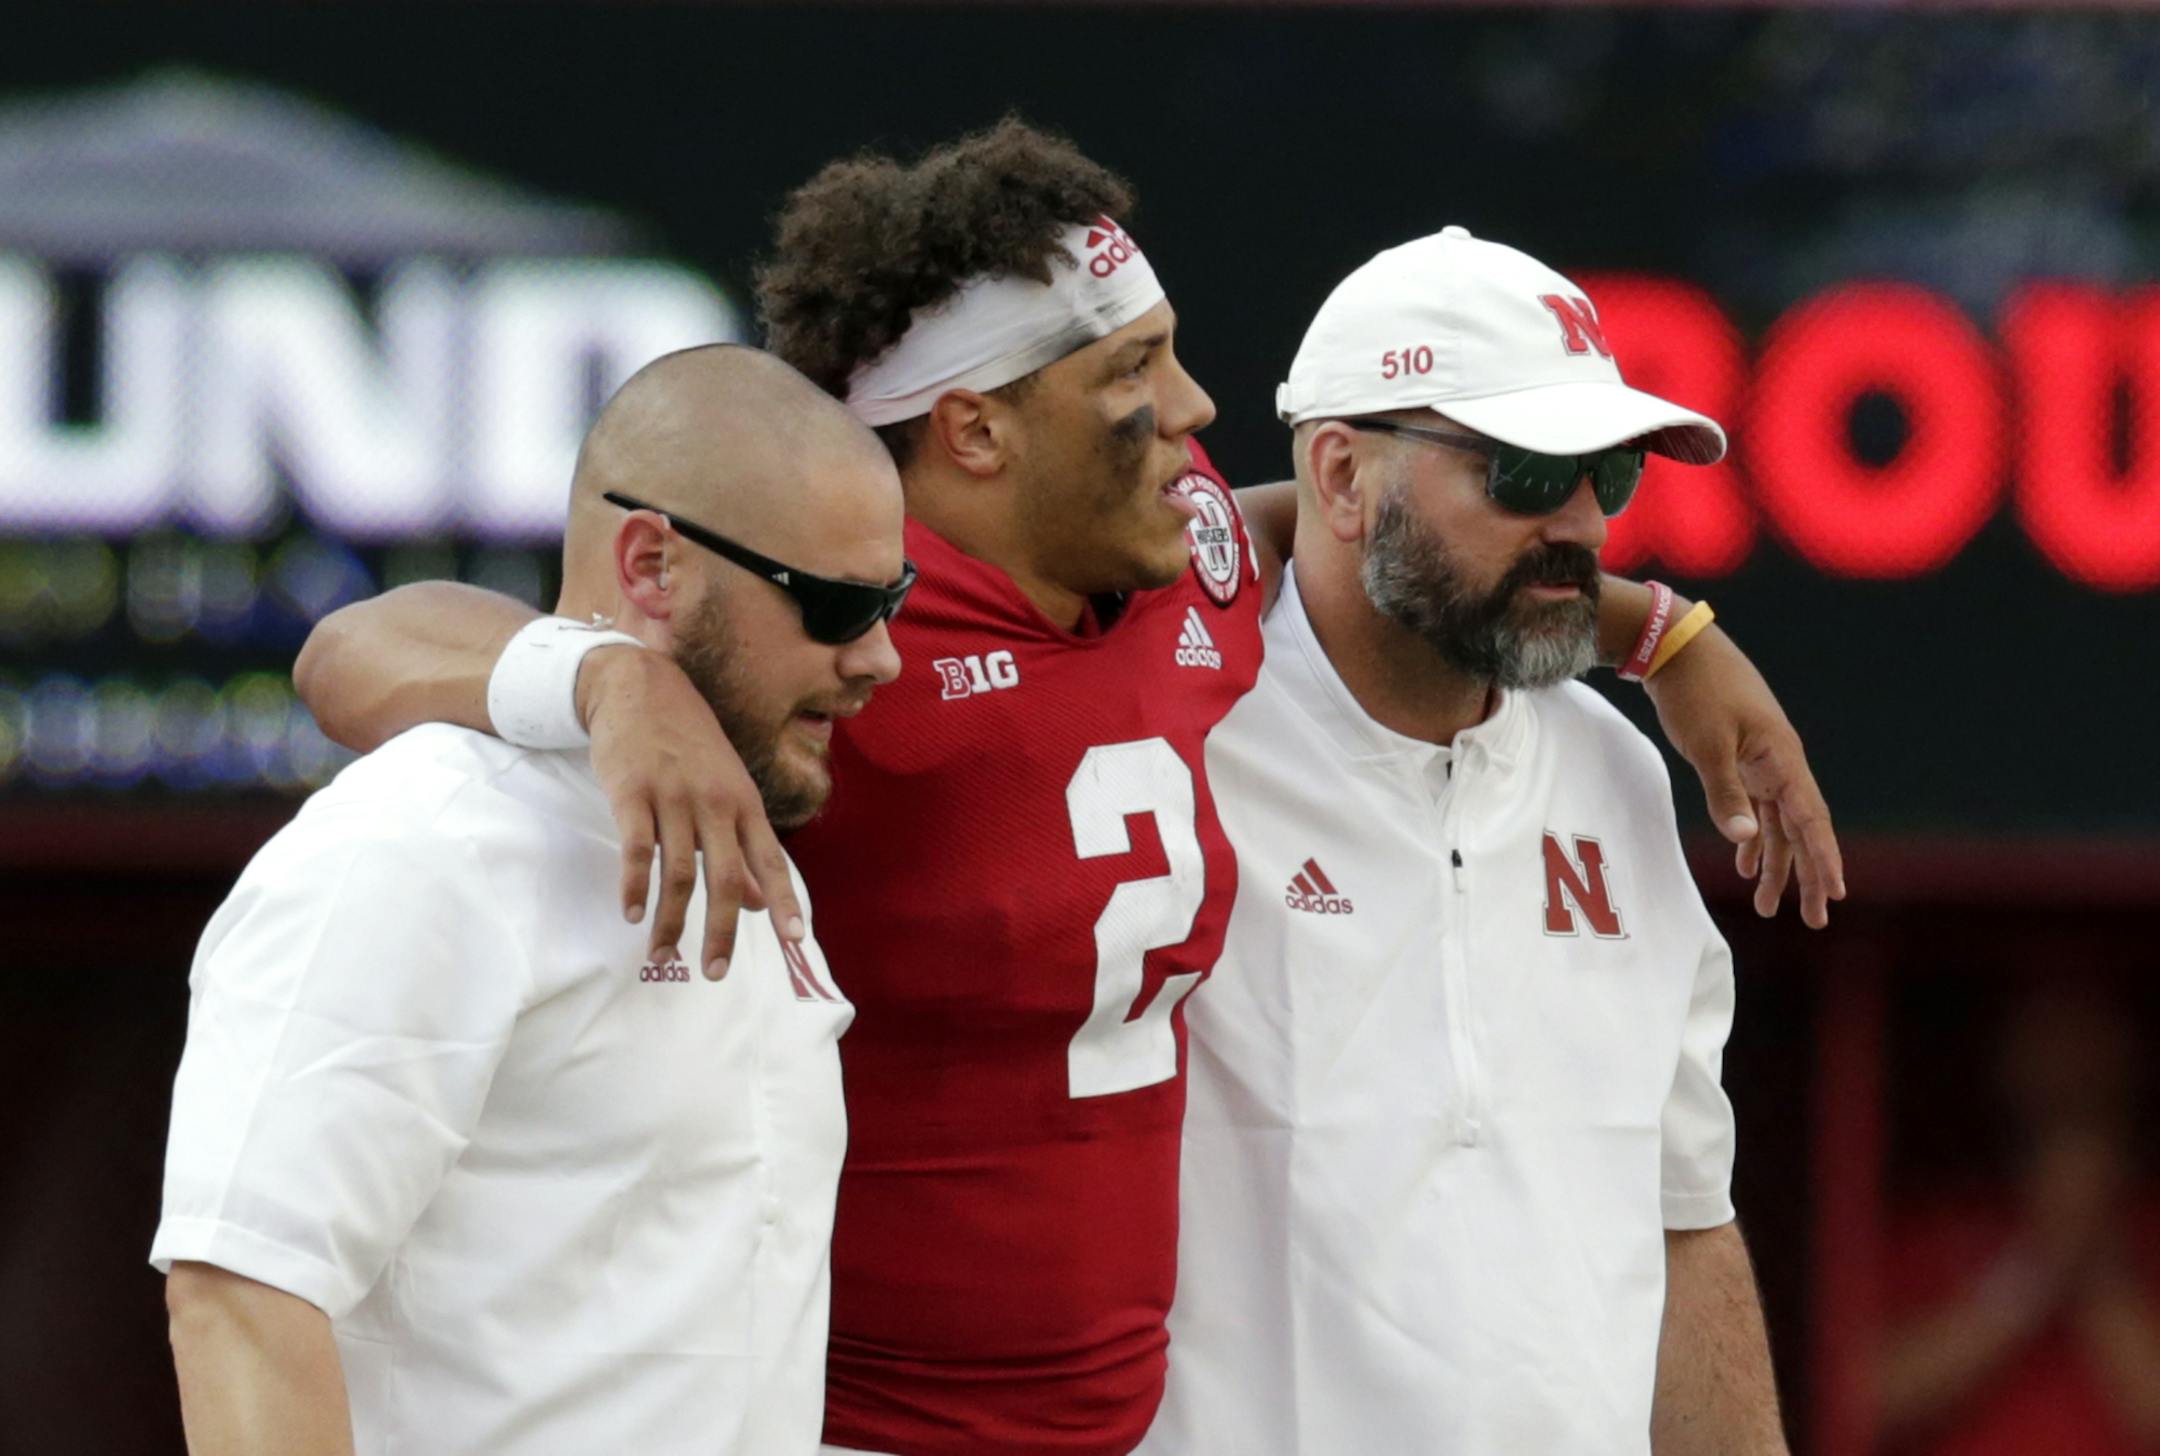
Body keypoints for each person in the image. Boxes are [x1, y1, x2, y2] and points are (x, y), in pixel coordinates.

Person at [293, 122, 1841, 1455]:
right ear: (977, 428)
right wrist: (608, 683)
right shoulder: (844, 636)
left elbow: (1348, 529)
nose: (1195, 411)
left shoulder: (1180, 575)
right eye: (1133, 374)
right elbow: (358, 648)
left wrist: (1662, 631)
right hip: (851, 1415)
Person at [153, 346, 906, 1455]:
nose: (882, 657)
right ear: (651, 565)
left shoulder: (740, 836)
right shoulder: (423, 840)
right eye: (839, 605)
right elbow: (241, 1298)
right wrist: (603, 677)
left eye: (892, 600)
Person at [1138, 227, 1787, 1455]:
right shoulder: (1168, 745)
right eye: (1526, 473)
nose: (1583, 524)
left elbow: (1683, 1218)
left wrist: (1671, 633)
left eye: (1609, 474)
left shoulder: (1617, 774)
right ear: (1340, 476)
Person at [1876, 976, 2160, 1454]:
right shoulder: (1938, 1220)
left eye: (2083, 1020)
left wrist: (2100, 1272)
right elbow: (1865, 1398)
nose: (2067, 1052)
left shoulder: (2149, 1227)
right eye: (2047, 1021)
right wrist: (2036, 1268)